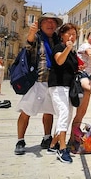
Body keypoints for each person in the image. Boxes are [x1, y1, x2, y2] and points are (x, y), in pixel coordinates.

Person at [14, 12, 62, 155]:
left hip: (52, 81)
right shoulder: (37, 37)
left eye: (53, 22)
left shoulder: (57, 40)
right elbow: (28, 43)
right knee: (26, 111)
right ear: (41, 24)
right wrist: (31, 32)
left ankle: (47, 138)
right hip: (37, 80)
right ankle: (20, 140)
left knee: (49, 111)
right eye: (46, 21)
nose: (50, 24)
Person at [46, 23, 79, 163]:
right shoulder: (59, 48)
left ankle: (53, 144)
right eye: (69, 33)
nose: (72, 36)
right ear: (62, 35)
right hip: (58, 86)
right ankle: (62, 149)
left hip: (68, 87)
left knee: (67, 116)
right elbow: (59, 61)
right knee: (64, 114)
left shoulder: (72, 52)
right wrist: (68, 48)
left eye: (74, 34)